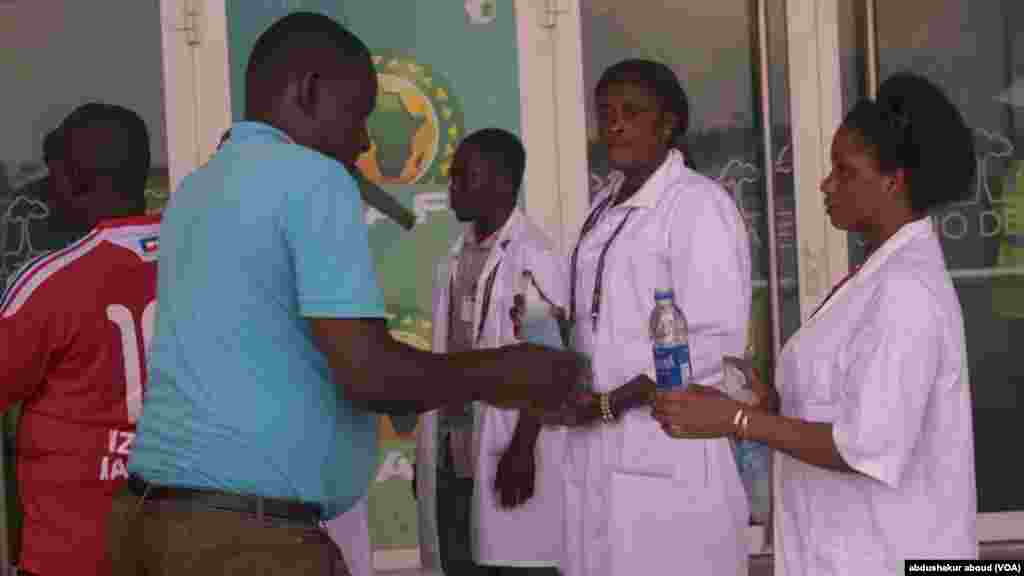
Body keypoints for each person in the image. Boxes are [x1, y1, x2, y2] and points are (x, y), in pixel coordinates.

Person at [110, 12, 579, 575]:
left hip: (152, 522)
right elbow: (369, 374)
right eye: (358, 115)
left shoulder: (196, 189)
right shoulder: (312, 178)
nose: (362, 142)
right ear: (309, 91)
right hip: (246, 541)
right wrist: (508, 370)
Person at [653, 72, 978, 575]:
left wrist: (736, 420)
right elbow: (855, 403)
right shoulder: (878, 274)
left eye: (844, 172)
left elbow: (866, 445)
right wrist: (772, 405)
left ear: (894, 181)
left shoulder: (906, 289)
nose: (826, 185)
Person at [559, 59, 752, 576]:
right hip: (598, 442)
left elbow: (715, 341)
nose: (615, 125)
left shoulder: (697, 206)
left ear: (668, 124)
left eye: (632, 113)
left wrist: (616, 399)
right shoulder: (605, 203)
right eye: (606, 114)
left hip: (666, 443)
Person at [0, 102, 157, 576]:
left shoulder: (52, 283)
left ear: (66, 181)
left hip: (73, 552)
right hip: (182, 544)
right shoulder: (204, 262)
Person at [414, 128, 566, 575]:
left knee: (512, 562)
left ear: (502, 182)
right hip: (453, 452)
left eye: (465, 176)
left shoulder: (534, 256)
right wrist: (429, 460)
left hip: (506, 449)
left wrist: (522, 449)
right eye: (453, 176)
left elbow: (549, 362)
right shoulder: (454, 258)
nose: (453, 187)